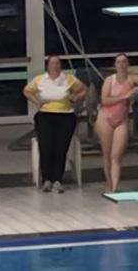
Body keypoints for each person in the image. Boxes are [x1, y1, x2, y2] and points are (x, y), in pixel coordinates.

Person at [23, 55, 87, 193]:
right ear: (48, 65)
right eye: (52, 63)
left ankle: (58, 180)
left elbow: (83, 89)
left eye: (57, 63)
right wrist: (37, 102)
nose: (55, 66)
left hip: (65, 116)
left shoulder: (68, 79)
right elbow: (27, 91)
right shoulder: (40, 79)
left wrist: (75, 97)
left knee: (60, 148)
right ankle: (47, 179)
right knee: (46, 146)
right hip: (45, 115)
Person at [95, 53, 138, 193]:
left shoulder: (132, 78)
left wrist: (137, 89)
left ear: (128, 64)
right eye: (119, 62)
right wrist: (124, 96)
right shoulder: (109, 80)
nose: (121, 65)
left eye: (124, 62)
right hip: (105, 118)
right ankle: (109, 183)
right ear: (115, 65)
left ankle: (115, 188)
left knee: (116, 156)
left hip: (121, 119)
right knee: (107, 154)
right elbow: (104, 100)